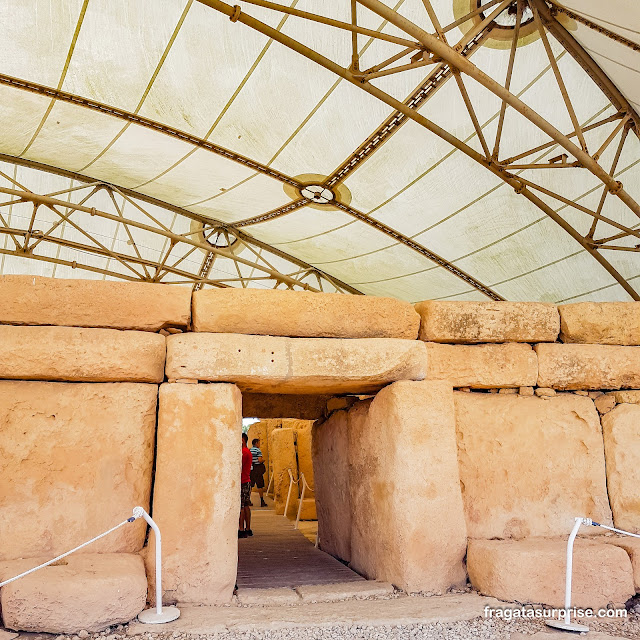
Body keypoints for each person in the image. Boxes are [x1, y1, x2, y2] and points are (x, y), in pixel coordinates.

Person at [239, 432, 253, 538]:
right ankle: (248, 528)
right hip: (246, 480)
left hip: (243, 481)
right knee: (246, 505)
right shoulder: (247, 451)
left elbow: (239, 466)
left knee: (242, 506)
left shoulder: (243, 452)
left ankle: (241, 529)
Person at [250, 438, 268, 507]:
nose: (259, 444)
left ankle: (248, 500)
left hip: (252, 469)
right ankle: (262, 500)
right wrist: (263, 460)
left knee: (251, 485)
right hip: (257, 469)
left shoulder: (250, 450)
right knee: (260, 486)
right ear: (256, 443)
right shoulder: (258, 450)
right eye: (259, 443)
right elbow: (259, 460)